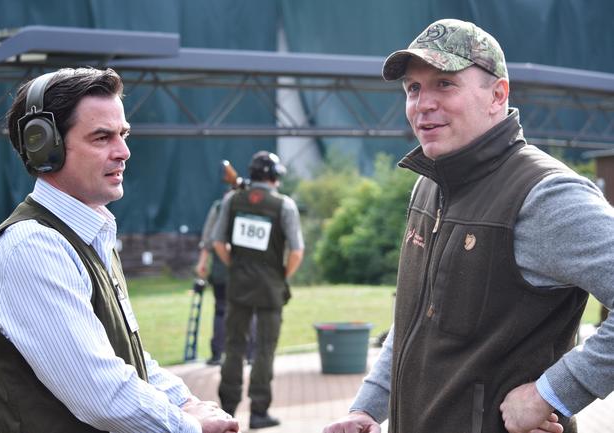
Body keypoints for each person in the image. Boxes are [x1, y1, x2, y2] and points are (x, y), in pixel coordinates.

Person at [323, 18, 614, 433]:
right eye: (413, 88)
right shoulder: (429, 185)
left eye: (445, 83)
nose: (422, 103)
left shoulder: (545, 195)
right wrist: (367, 409)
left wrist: (551, 393)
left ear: (498, 95)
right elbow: (412, 321)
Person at [0, 67, 239, 433]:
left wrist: (187, 401)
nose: (124, 152)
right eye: (102, 138)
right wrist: (188, 426)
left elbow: (122, 357)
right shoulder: (31, 248)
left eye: (123, 134)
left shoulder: (90, 233)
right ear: (43, 146)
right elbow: (100, 393)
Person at [212, 151, 304, 429]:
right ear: (275, 177)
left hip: (238, 284)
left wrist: (235, 266)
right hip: (270, 288)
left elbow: (218, 243)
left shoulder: (232, 200)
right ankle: (259, 413)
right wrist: (280, 275)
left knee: (233, 346)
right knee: (264, 349)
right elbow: (297, 252)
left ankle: (227, 410)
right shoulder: (284, 205)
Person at [195, 197, 256, 366]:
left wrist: (202, 262)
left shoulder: (219, 206)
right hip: (246, 269)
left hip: (222, 270)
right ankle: (251, 354)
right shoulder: (252, 204)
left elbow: (209, 237)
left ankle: (217, 355)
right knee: (249, 310)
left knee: (221, 310)